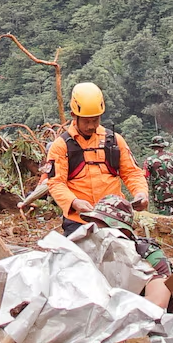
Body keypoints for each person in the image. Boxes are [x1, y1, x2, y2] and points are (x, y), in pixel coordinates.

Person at [44, 82, 148, 236]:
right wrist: (74, 202)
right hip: (79, 220)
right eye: (86, 121)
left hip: (114, 218)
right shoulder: (61, 146)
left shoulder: (114, 141)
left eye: (95, 120)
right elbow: (56, 183)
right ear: (74, 115)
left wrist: (141, 193)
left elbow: (132, 172)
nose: (91, 126)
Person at [81, 195, 173, 309]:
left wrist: (108, 305)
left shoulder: (147, 254)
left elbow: (157, 303)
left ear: (123, 232)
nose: (95, 232)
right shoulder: (89, 251)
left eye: (102, 228)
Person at [143, 135, 173, 217]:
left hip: (159, 197)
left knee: (165, 219)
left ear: (153, 147)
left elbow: (145, 179)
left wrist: (144, 195)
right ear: (164, 145)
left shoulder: (149, 161)